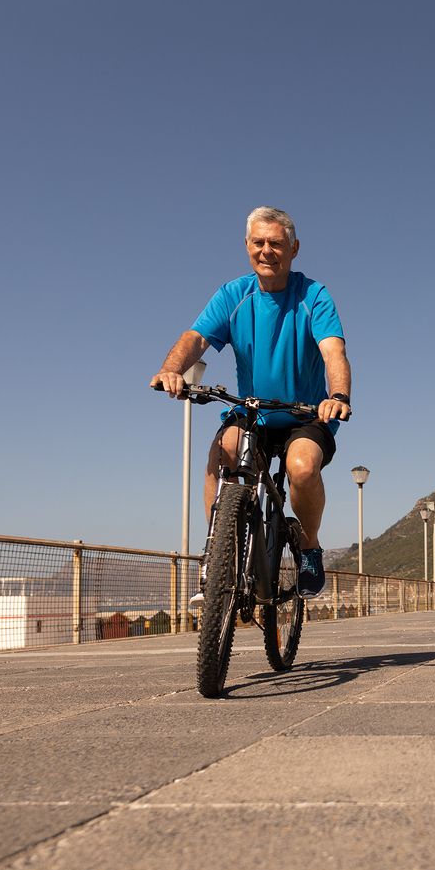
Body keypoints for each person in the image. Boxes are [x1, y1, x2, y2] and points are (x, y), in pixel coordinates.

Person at [151, 206, 352, 600]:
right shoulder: (233, 295)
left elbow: (334, 352)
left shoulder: (313, 295)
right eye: (258, 242)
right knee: (223, 450)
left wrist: (338, 396)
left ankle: (309, 547)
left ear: (293, 249)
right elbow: (195, 338)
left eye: (276, 243)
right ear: (247, 246)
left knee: (302, 466)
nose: (266, 251)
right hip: (252, 411)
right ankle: (218, 554)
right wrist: (170, 369)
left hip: (305, 414)